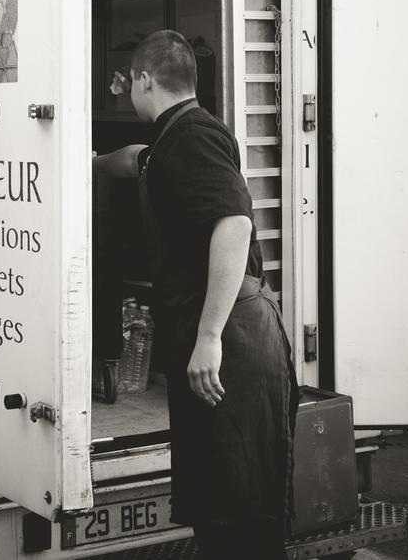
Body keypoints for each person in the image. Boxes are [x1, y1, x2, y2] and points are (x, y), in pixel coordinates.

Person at [93, 29, 299, 559]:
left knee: (241, 507)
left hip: (233, 336)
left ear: (143, 79)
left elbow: (234, 225)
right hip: (223, 333)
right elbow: (138, 159)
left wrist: (208, 336)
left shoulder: (191, 138)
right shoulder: (177, 137)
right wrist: (92, 163)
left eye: (130, 82)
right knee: (214, 502)